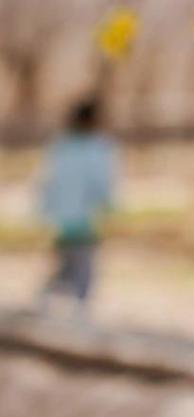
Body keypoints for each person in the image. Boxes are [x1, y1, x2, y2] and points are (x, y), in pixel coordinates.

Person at [37, 95, 118, 309]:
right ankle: (78, 303)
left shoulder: (62, 146)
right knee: (81, 263)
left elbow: (47, 180)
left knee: (68, 258)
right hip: (84, 214)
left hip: (64, 214)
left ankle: (50, 296)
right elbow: (102, 180)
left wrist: (45, 207)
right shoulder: (97, 147)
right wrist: (108, 203)